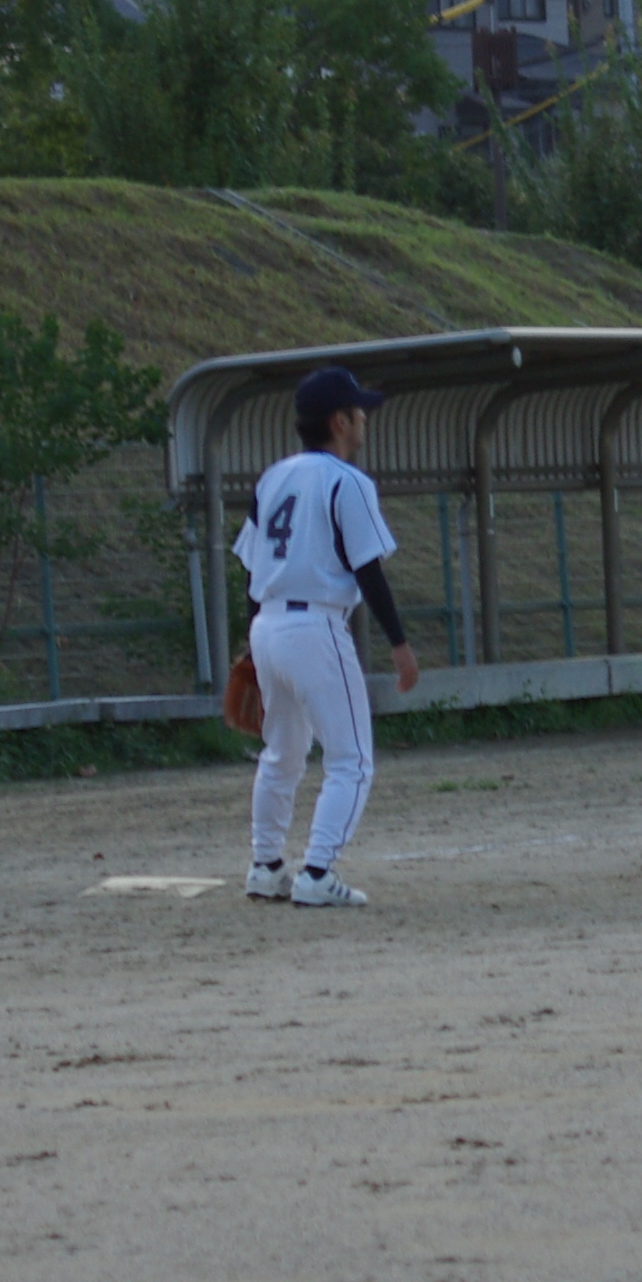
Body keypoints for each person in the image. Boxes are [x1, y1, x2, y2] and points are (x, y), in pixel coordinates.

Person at [235, 365, 422, 908]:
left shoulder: (272, 478)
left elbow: (251, 567)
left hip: (268, 622)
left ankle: (266, 867)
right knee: (352, 759)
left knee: (282, 753)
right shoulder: (347, 481)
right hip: (314, 626)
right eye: (358, 412)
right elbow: (368, 569)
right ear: (339, 421)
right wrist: (400, 645)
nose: (364, 420)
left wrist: (251, 641)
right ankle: (317, 873)